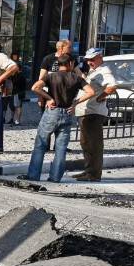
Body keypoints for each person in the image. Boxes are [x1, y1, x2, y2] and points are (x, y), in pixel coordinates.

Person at [23, 52, 98, 183]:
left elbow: (35, 87)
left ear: (58, 64)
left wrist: (49, 98)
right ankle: (55, 177)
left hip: (52, 111)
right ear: (70, 64)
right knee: (61, 148)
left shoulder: (51, 76)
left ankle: (33, 175)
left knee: (40, 145)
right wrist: (75, 103)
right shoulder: (76, 78)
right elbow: (91, 92)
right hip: (68, 112)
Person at [74, 46, 119, 182]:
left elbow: (112, 85)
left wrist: (101, 97)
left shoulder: (104, 71)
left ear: (100, 57)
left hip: (93, 113)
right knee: (86, 143)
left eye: (92, 59)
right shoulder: (93, 71)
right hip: (86, 112)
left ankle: (93, 174)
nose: (89, 62)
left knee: (94, 144)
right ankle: (88, 171)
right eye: (88, 60)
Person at [9, 51, 26, 125]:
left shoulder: (20, 75)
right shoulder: (17, 75)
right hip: (16, 92)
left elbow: (16, 83)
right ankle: (13, 119)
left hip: (18, 93)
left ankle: (17, 120)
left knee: (18, 106)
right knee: (13, 106)